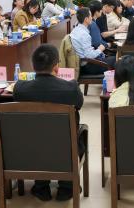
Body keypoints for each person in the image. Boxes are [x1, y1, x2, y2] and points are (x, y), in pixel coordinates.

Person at [13, 44, 85, 201]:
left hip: (30, 148)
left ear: (33, 66)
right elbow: (79, 105)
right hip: (64, 149)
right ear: (56, 66)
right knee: (70, 134)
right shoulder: (71, 88)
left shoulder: (20, 89)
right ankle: (66, 187)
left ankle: (41, 187)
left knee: (37, 133)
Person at [70, 8, 116, 75]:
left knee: (112, 58)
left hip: (82, 63)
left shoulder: (76, 30)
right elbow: (89, 56)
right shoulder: (84, 34)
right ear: (86, 19)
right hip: (88, 66)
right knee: (115, 59)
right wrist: (100, 49)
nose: (92, 18)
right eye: (90, 16)